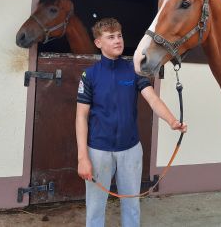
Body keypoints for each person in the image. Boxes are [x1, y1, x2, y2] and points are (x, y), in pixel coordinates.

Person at [76, 17, 187, 227]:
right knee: (95, 207)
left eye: (119, 35)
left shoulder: (134, 71)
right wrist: (83, 157)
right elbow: (81, 116)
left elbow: (153, 99)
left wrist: (172, 121)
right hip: (98, 151)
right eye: (111, 37)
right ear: (98, 43)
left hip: (130, 150)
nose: (118, 40)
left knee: (132, 205)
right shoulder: (89, 76)